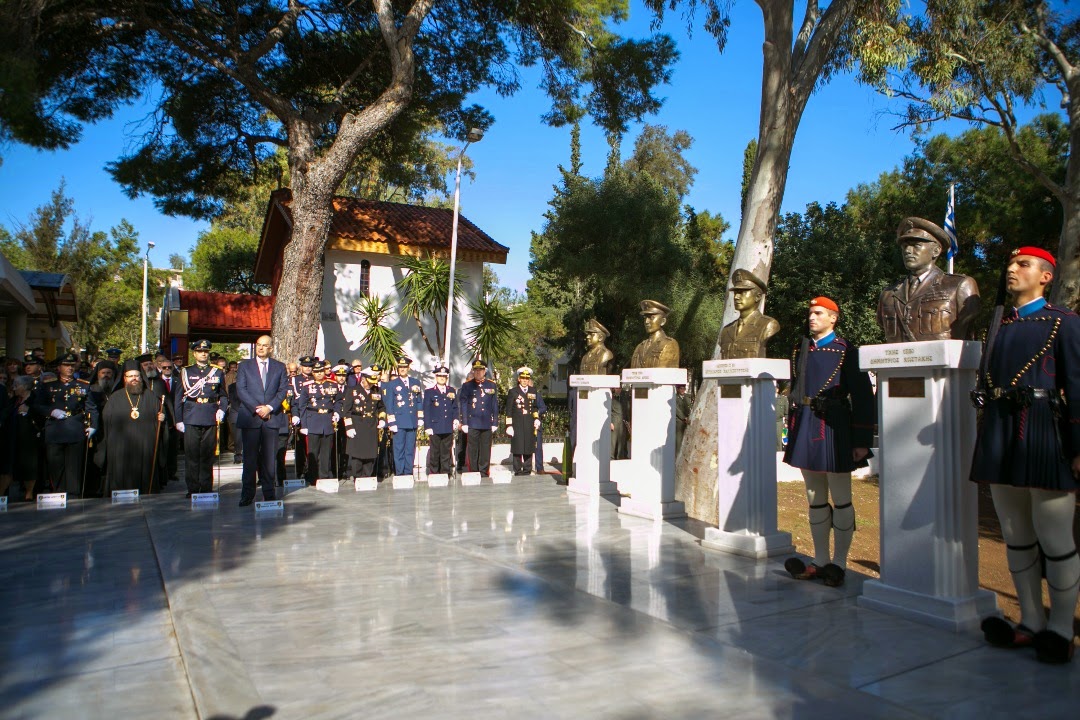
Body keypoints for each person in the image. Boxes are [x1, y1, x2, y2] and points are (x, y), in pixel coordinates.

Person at [970, 247, 1080, 664]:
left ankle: (1060, 628)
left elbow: (1079, 385)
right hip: (1001, 428)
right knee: (1016, 535)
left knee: (1056, 540)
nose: (1012, 269)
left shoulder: (1063, 323)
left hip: (1042, 430)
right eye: (1011, 264)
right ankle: (1031, 621)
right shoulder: (998, 325)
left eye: (1024, 265)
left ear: (1046, 277)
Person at [782, 296, 876, 588]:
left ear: (833, 318)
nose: (812, 317)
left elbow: (862, 397)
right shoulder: (802, 348)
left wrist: (861, 439)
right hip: (806, 420)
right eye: (810, 313)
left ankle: (840, 563)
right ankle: (820, 560)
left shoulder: (847, 350)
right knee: (814, 496)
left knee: (842, 497)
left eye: (819, 313)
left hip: (835, 426)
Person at [877, 217, 981, 343]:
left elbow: (967, 328)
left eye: (916, 246)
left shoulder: (959, 286)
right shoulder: (888, 294)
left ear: (936, 251)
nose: (908, 251)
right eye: (904, 246)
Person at [30, 351, 99, 496]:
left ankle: (74, 495)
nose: (70, 368)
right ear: (59, 367)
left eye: (72, 365)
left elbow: (91, 408)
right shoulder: (48, 385)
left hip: (75, 429)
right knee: (56, 466)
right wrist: (51, 411)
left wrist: (93, 425)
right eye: (66, 365)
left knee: (74, 467)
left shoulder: (83, 385)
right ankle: (58, 493)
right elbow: (37, 405)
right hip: (55, 430)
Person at [236, 335, 288, 505]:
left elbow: (282, 391)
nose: (260, 348)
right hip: (251, 417)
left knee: (268, 459)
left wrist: (269, 408)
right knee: (250, 459)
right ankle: (247, 494)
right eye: (258, 345)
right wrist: (258, 408)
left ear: (271, 348)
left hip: (271, 418)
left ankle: (269, 492)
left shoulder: (279, 367)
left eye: (264, 346)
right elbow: (241, 390)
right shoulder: (245, 366)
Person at [101, 361, 167, 494]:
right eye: (130, 376)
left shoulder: (151, 396)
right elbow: (107, 423)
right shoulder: (115, 398)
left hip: (145, 446)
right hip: (121, 447)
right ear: (124, 378)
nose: (134, 379)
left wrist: (162, 418)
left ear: (141, 377)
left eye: (137, 376)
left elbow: (160, 416)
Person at [175, 339, 228, 497]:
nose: (203, 354)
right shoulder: (186, 372)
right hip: (191, 415)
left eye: (205, 351)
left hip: (210, 415)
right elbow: (178, 398)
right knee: (192, 455)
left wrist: (222, 410)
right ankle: (192, 488)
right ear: (194, 353)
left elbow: (223, 395)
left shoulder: (217, 372)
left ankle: (206, 487)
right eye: (200, 351)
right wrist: (178, 419)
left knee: (207, 454)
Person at [296, 360, 341, 483]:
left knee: (326, 451)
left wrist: (337, 413)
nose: (319, 374)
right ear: (313, 373)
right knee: (313, 452)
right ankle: (312, 476)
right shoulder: (307, 386)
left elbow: (338, 401)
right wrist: (304, 425)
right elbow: (302, 406)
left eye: (321, 371)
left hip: (327, 419)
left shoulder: (332, 384)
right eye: (316, 372)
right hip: (313, 420)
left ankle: (324, 476)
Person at [719, 269, 780, 359]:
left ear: (758, 296)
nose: (736, 297)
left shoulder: (768, 325)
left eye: (742, 292)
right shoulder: (726, 331)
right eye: (735, 292)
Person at [342, 365, 386, 479]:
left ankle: (368, 476)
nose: (371, 384)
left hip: (371, 425)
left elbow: (381, 407)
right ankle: (358, 476)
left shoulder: (377, 391)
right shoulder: (353, 391)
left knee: (370, 453)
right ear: (363, 379)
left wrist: (381, 419)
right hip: (357, 424)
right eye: (369, 381)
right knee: (358, 454)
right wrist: (349, 427)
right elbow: (346, 411)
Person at [3, 375, 42, 501]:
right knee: (10, 466)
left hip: (29, 438)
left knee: (29, 465)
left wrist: (29, 411)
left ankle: (29, 493)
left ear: (25, 387)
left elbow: (41, 414)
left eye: (16, 386)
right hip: (13, 436)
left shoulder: (35, 399)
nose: (14, 388)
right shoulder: (14, 400)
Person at [385, 356, 424, 476]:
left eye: (404, 367)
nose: (402, 369)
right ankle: (400, 473)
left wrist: (420, 418)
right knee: (399, 449)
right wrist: (391, 422)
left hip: (412, 421)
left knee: (410, 449)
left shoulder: (415, 382)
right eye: (400, 367)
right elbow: (389, 404)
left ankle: (408, 472)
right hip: (399, 422)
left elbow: (418, 401)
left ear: (408, 368)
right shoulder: (392, 384)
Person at [459, 360, 499, 476]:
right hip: (472, 422)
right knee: (473, 449)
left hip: (486, 422)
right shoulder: (467, 386)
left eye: (480, 370)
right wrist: (464, 422)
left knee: (485, 449)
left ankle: (484, 471)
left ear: (484, 371)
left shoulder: (491, 385)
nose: (478, 372)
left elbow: (494, 404)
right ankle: (474, 471)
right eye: (475, 370)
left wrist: (495, 422)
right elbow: (464, 404)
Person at [505, 367, 542, 475]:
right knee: (518, 446)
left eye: (527, 378)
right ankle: (517, 469)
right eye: (523, 378)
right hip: (517, 423)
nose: (525, 380)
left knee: (529, 446)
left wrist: (536, 418)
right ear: (519, 379)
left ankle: (527, 469)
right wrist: (509, 425)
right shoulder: (513, 391)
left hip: (529, 423)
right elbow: (509, 410)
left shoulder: (533, 390)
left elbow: (534, 407)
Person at [423, 365, 459, 475]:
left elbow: (455, 407)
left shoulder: (451, 390)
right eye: (439, 376)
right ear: (436, 377)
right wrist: (428, 426)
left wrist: (455, 419)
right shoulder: (430, 392)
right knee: (435, 452)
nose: (442, 378)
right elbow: (427, 410)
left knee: (446, 452)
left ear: (447, 377)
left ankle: (445, 472)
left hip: (447, 426)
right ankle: (434, 473)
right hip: (435, 427)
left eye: (444, 376)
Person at [629, 300, 680, 368]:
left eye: (651, 318)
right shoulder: (639, 347)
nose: (646, 321)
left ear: (663, 321)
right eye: (645, 318)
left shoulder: (670, 344)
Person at [455, 367, 475, 473]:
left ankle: (473, 463)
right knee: (462, 444)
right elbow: (459, 406)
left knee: (474, 444)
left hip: (474, 421)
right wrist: (459, 421)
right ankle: (460, 464)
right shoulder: (461, 390)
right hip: (464, 421)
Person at [675, 384, 692, 455]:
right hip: (680, 421)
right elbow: (677, 410)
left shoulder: (688, 396)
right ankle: (677, 457)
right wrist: (684, 417)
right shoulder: (675, 398)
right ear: (677, 389)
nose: (682, 390)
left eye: (684, 388)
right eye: (681, 388)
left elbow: (691, 406)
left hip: (689, 420)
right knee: (679, 441)